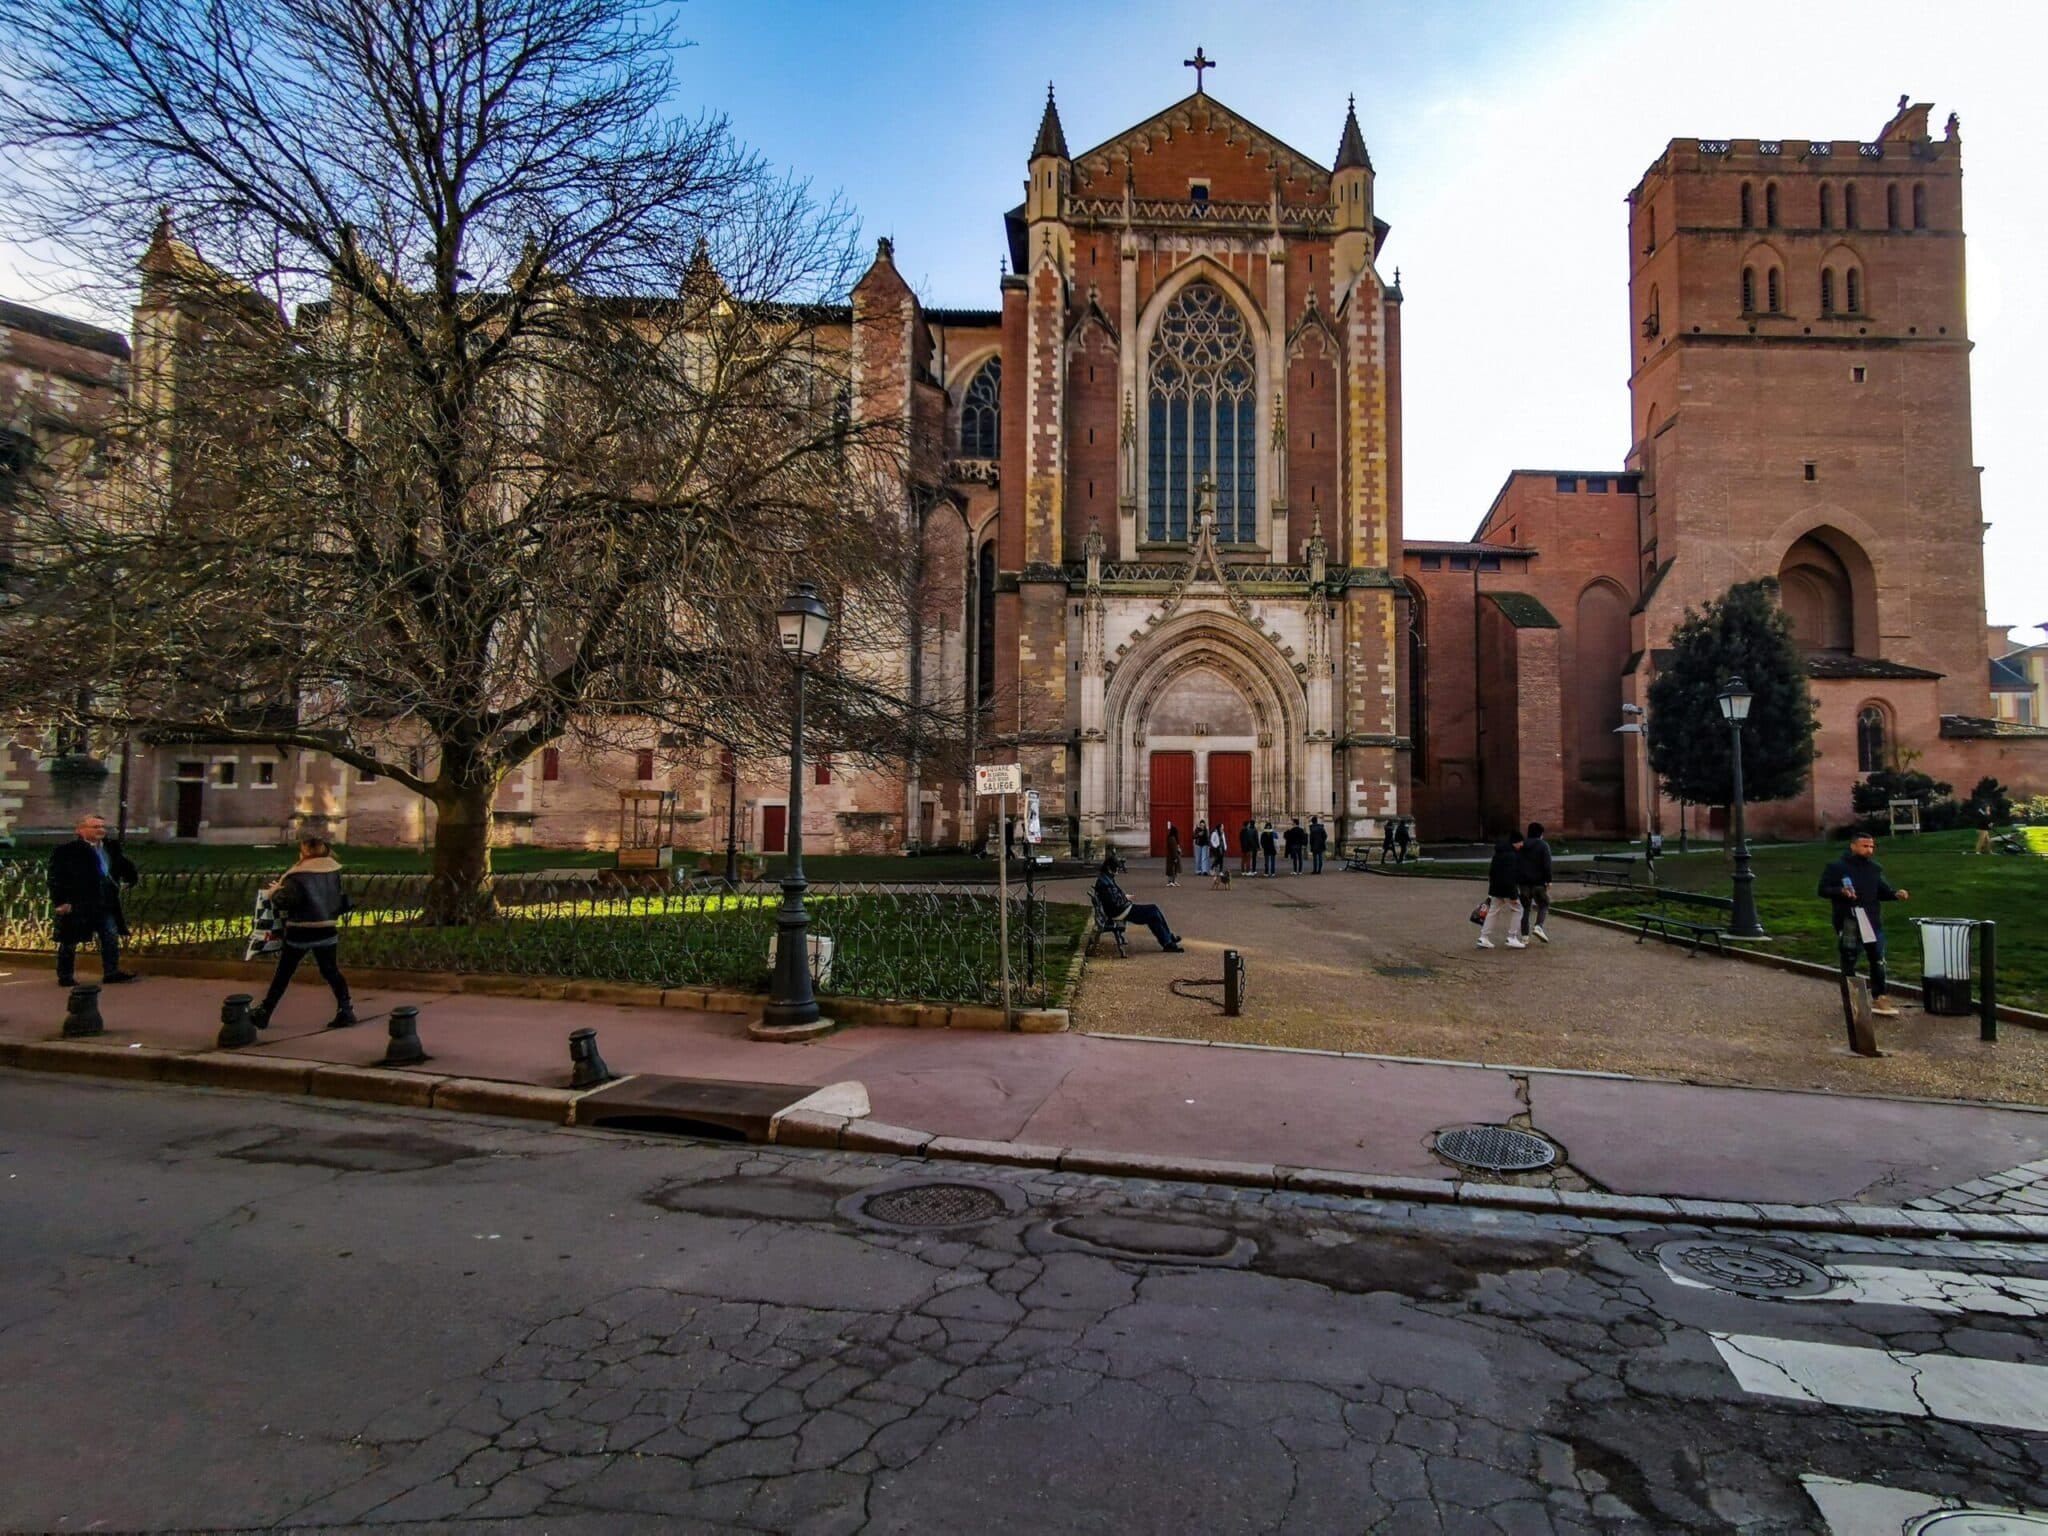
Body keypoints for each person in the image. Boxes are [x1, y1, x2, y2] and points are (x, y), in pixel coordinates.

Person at [249, 833, 357, 1029]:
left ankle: (265, 1012)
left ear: (306, 852)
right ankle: (346, 1009)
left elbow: (287, 901)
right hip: (326, 929)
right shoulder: (332, 872)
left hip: (301, 930)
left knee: (283, 973)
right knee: (331, 971)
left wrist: (274, 893)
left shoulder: (298, 875)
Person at [1818, 833, 1909, 1017]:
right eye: (1865, 846)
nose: (1869, 850)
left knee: (1878, 960)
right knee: (1849, 959)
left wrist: (1895, 894)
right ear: (1853, 846)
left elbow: (1881, 891)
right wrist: (1840, 892)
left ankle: (1880, 996)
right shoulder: (1837, 868)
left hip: (1872, 921)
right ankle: (1851, 997)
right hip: (1849, 920)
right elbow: (1822, 890)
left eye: (1871, 846)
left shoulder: (1874, 869)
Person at [48, 812, 140, 986]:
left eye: (102, 827)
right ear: (81, 830)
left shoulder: (110, 847)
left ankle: (111, 972)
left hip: (104, 901)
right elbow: (55, 877)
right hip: (78, 902)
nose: (100, 830)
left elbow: (122, 865)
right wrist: (60, 901)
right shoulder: (67, 851)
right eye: (95, 827)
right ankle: (65, 975)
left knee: (110, 933)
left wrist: (131, 877)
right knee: (70, 939)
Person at [1093, 857, 1184, 952]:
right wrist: (1125, 898)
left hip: (1121, 908)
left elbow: (1113, 898)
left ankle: (1168, 937)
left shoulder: (1105, 878)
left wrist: (1124, 897)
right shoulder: (1105, 883)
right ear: (1109, 868)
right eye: (1116, 869)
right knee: (1152, 914)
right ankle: (1167, 943)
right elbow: (1114, 902)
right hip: (1120, 911)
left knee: (1154, 909)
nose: (1117, 872)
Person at [1477, 832, 1526, 950]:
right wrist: (1513, 893)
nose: (1522, 844)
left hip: (1496, 887)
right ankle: (1512, 936)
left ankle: (1484, 937)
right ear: (1516, 842)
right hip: (1507, 889)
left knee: (1493, 910)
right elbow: (1510, 876)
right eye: (1521, 842)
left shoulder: (1498, 854)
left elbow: (1492, 873)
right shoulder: (1512, 856)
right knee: (1518, 909)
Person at [1518, 821, 1554, 943]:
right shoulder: (1543, 845)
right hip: (1538, 882)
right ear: (1540, 834)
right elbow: (1547, 865)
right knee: (1544, 904)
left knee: (1525, 908)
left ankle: (1524, 936)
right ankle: (1538, 926)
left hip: (1523, 882)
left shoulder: (1522, 846)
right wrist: (1548, 880)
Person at [1164, 823, 1182, 888]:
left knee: (1174, 869)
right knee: (1172, 869)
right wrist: (1175, 857)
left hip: (1172, 856)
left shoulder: (1172, 838)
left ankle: (1173, 881)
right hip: (1172, 856)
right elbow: (1174, 849)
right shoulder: (1172, 839)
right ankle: (1170, 881)